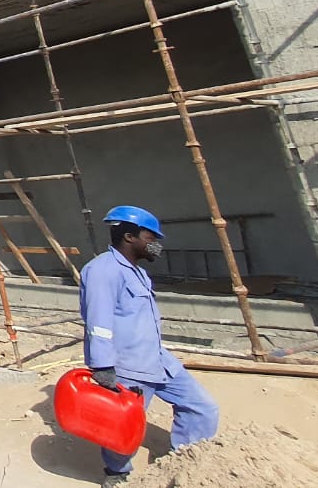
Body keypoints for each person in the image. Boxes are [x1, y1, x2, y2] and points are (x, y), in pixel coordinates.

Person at [80, 205, 219, 485]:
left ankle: (185, 462)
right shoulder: (102, 271)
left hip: (157, 359)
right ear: (129, 237)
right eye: (151, 238)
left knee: (202, 407)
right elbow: (98, 321)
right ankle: (117, 474)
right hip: (128, 366)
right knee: (124, 426)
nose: (156, 244)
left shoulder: (139, 273)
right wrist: (103, 366)